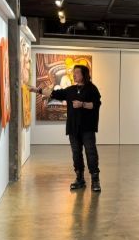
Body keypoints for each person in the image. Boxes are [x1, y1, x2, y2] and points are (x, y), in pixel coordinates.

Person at [30, 64, 103, 192]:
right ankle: (80, 179)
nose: (74, 75)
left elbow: (96, 104)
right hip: (73, 128)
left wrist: (82, 104)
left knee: (91, 153)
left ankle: (95, 180)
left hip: (87, 128)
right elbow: (53, 93)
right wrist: (37, 90)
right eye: (74, 72)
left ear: (84, 74)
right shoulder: (71, 90)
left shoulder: (92, 89)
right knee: (76, 153)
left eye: (77, 72)